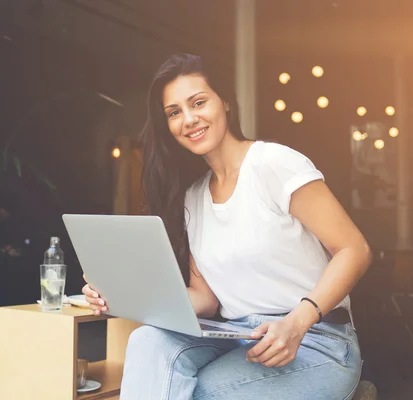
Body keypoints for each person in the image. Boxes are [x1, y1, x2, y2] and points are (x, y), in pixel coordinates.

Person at [82, 54, 372, 399]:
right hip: (236, 336)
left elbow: (355, 249)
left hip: (316, 340)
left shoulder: (273, 164)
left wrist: (297, 321)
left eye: (198, 102)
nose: (189, 119)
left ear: (226, 103)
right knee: (147, 340)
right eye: (174, 112)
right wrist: (120, 293)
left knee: (197, 392)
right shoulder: (193, 198)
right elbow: (204, 297)